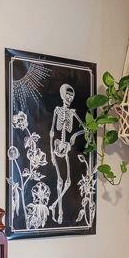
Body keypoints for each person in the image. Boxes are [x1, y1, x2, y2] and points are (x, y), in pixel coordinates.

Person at [49, 82, 80, 224]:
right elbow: (51, 132)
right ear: (63, 95)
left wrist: (73, 137)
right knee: (59, 180)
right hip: (57, 146)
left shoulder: (72, 112)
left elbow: (82, 129)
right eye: (67, 95)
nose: (69, 98)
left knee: (67, 181)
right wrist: (51, 154)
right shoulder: (57, 110)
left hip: (66, 147)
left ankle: (56, 207)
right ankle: (58, 210)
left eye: (71, 96)